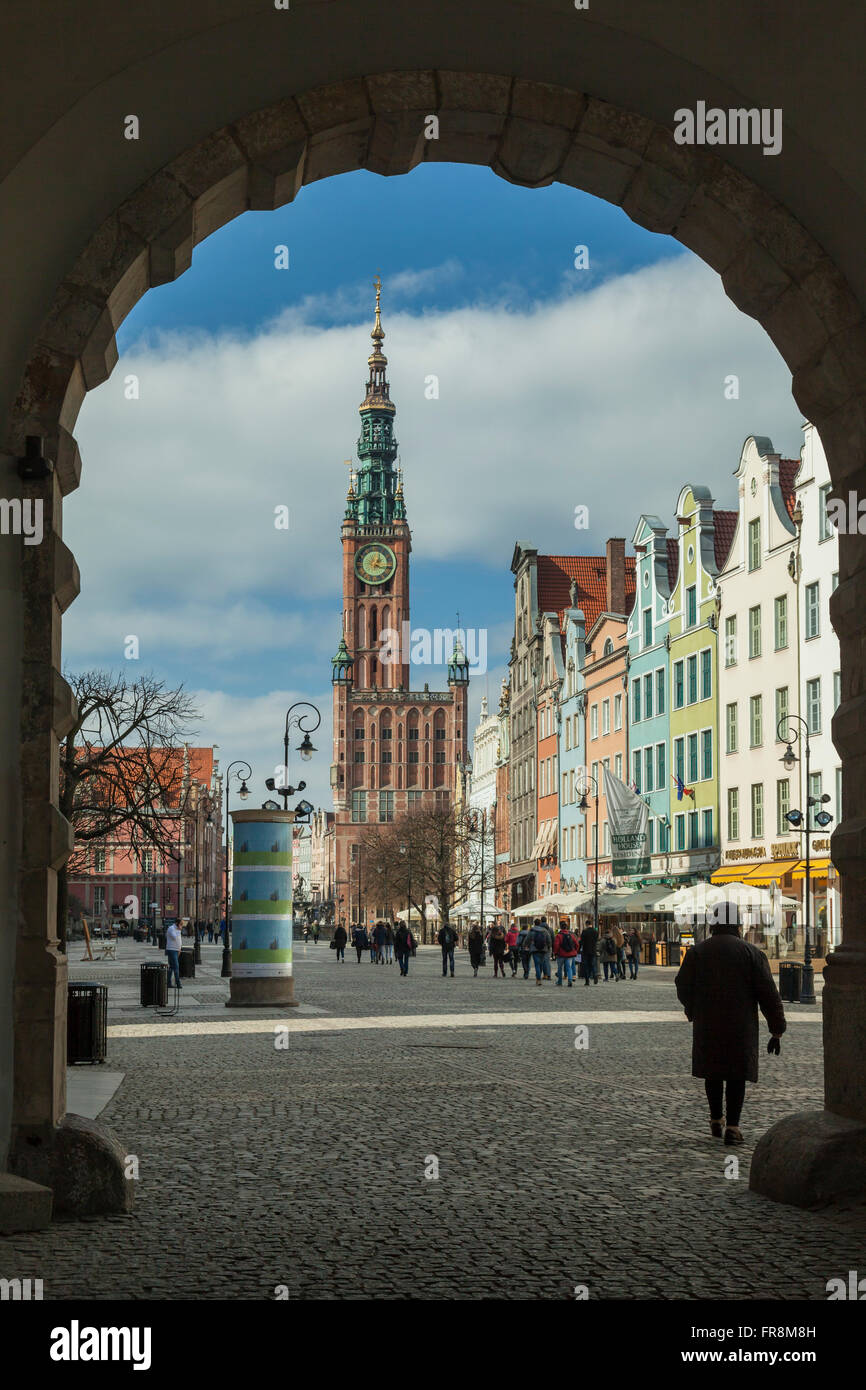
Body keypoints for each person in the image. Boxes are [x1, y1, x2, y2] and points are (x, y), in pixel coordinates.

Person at [675, 902, 786, 1145]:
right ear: (737, 923)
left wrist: (692, 1009)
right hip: (741, 1025)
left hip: (708, 1024)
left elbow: (682, 984)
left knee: (713, 1073)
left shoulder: (698, 952)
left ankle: (716, 1120)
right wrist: (776, 1029)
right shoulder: (751, 953)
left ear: (713, 923)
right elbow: (768, 993)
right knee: (736, 1075)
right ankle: (733, 1127)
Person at [553, 919, 579, 986]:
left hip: (561, 954)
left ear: (561, 927)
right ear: (566, 927)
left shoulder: (558, 935)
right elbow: (576, 944)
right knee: (569, 968)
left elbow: (556, 945)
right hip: (569, 954)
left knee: (560, 968)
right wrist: (575, 950)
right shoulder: (571, 935)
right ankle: (570, 980)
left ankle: (560, 982)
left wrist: (555, 953)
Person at [529, 917, 552, 985]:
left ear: (534, 924)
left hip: (534, 949)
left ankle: (538, 979)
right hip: (543, 949)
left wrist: (525, 945)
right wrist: (549, 946)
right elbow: (549, 940)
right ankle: (543, 975)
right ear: (540, 923)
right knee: (541, 963)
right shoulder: (545, 931)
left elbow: (527, 939)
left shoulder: (532, 930)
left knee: (537, 965)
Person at [579, 918, 599, 985]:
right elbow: (596, 940)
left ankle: (587, 981)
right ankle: (595, 974)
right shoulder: (595, 931)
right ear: (591, 924)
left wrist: (579, 949)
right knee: (593, 964)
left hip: (586, 951)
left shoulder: (584, 931)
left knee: (586, 966)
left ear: (586, 924)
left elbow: (581, 942)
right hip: (593, 950)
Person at [165, 918, 183, 990]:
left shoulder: (177, 929)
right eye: (181, 923)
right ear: (177, 923)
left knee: (172, 967)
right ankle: (178, 983)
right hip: (172, 949)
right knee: (176, 966)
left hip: (176, 950)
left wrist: (179, 949)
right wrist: (179, 930)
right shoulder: (171, 928)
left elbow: (179, 940)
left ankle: (168, 982)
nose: (182, 925)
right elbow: (174, 937)